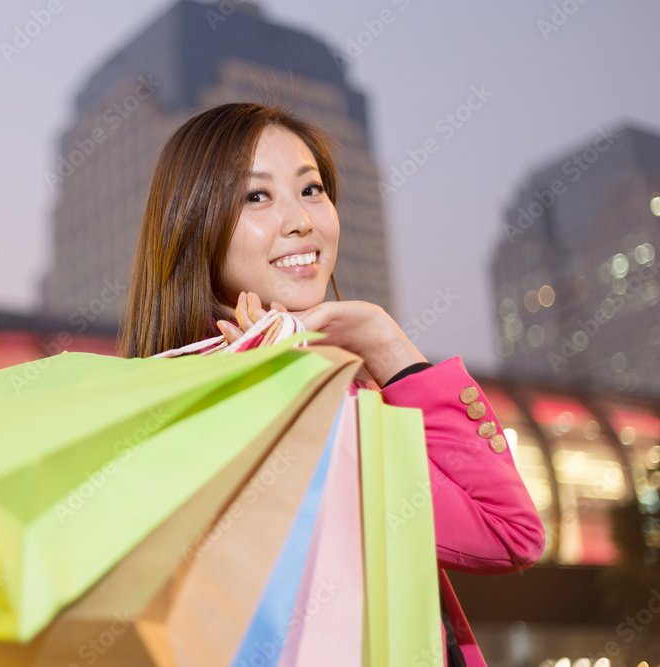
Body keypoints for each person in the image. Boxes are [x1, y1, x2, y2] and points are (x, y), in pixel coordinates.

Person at [117, 102, 545, 666]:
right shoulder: (262, 400)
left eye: (312, 190)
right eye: (256, 196)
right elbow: (508, 532)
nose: (302, 221)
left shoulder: (309, 382)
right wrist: (379, 346)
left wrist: (374, 341)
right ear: (194, 224)